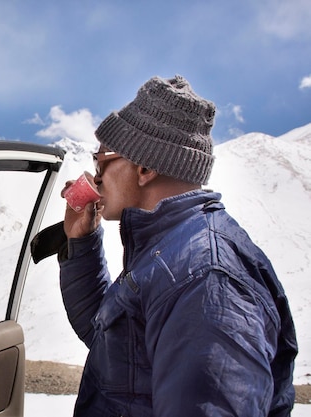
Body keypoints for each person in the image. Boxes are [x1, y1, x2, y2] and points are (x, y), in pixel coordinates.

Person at [57, 75, 297, 416]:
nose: (95, 177)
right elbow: (112, 345)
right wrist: (82, 244)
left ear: (144, 168)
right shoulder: (168, 251)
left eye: (102, 162)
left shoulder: (206, 277)